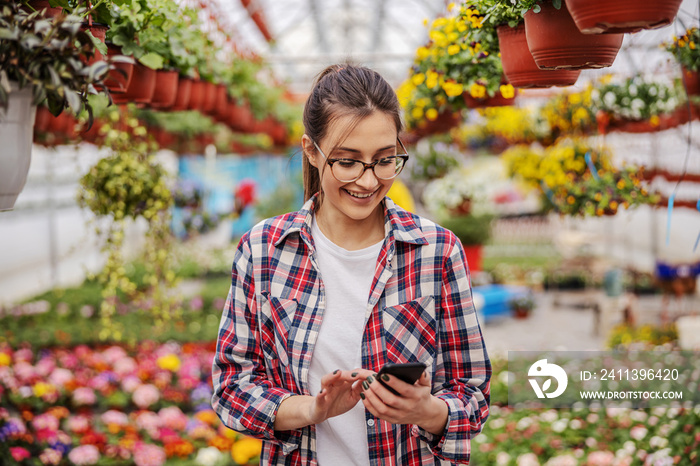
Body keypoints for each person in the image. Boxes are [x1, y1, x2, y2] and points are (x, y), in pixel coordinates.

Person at [212, 63, 491, 465]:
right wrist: (311, 409)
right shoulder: (264, 250)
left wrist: (426, 410)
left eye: (384, 160)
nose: (367, 181)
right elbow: (232, 386)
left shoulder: (436, 250)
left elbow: (473, 390)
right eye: (347, 161)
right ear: (312, 151)